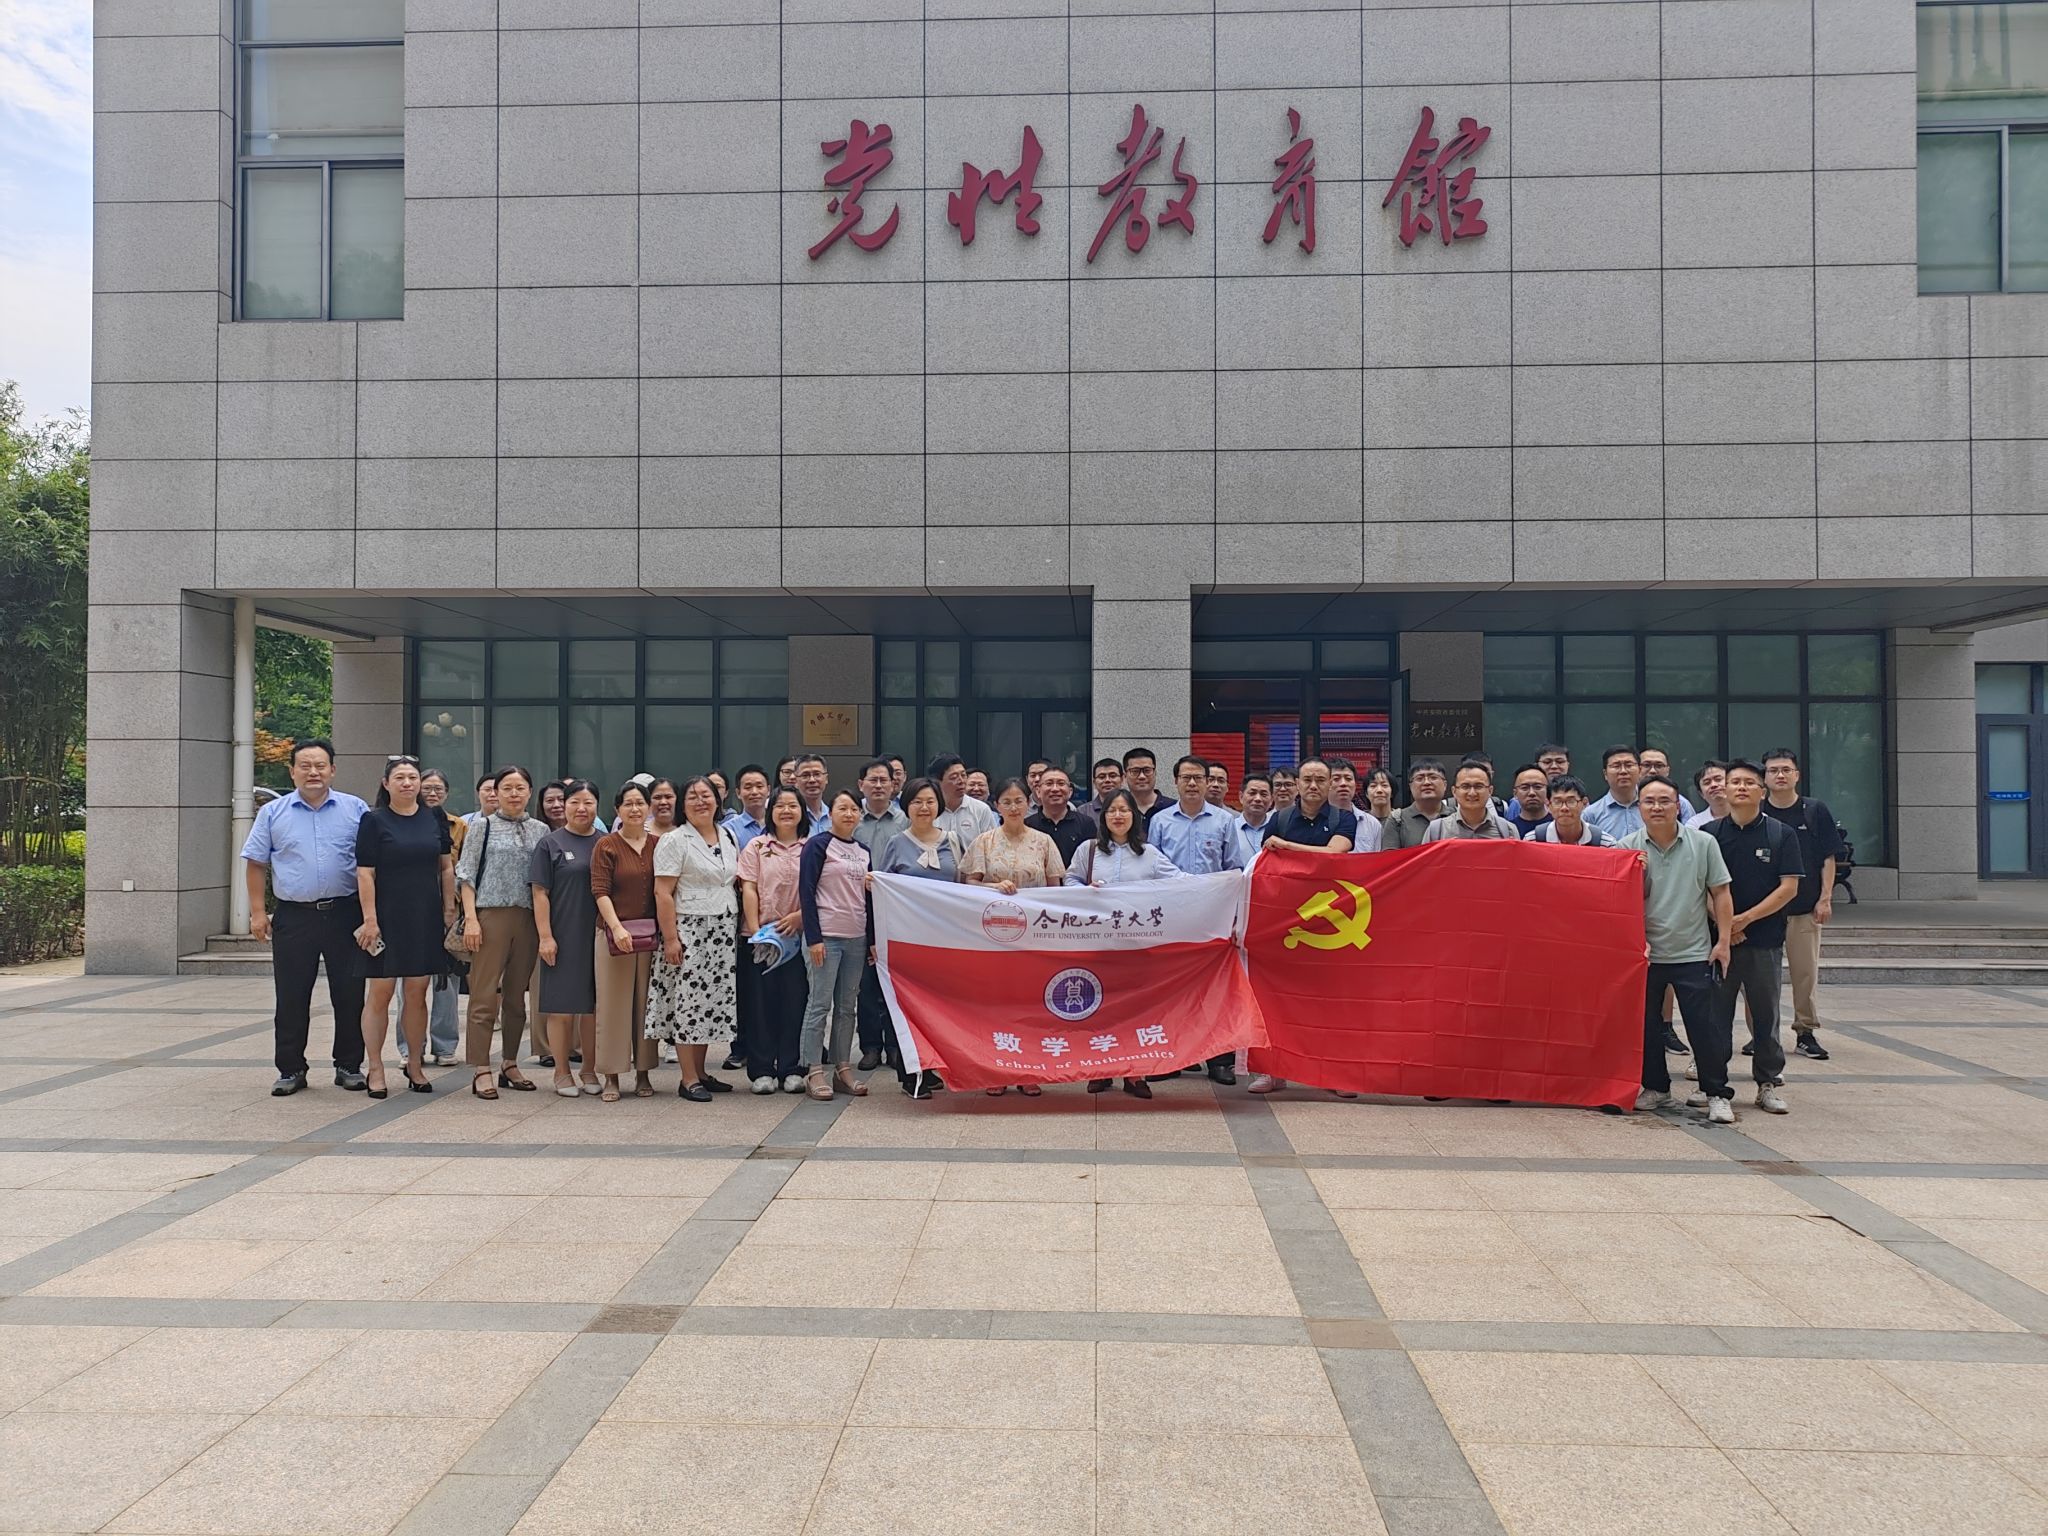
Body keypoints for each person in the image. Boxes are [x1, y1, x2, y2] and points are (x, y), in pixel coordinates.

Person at [243, 738, 369, 1096]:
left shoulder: (355, 809)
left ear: (333, 770)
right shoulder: (273, 812)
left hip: (346, 913)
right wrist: (257, 913)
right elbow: (256, 863)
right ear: (292, 771)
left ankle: (349, 1065)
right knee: (291, 994)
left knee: (349, 993)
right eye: (305, 766)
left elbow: (370, 865)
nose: (313, 772)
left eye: (320, 765)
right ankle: (291, 1069)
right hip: (294, 916)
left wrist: (371, 916)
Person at [1619, 776, 1732, 1119]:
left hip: (1694, 952)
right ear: (1639, 807)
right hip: (1645, 955)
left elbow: (1720, 893)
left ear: (1678, 805)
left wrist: (1723, 941)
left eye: (1664, 801)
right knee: (1647, 1027)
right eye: (1649, 801)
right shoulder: (1626, 847)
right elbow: (1619, 903)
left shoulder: (1704, 843)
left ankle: (1716, 1092)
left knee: (1705, 1028)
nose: (1656, 807)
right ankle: (1656, 1088)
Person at [1697, 760, 1802, 1119]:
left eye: (1749, 782)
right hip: (1718, 944)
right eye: (1734, 782)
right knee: (1715, 1018)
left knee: (1765, 1016)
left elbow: (1788, 888)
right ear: (1724, 789)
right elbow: (1701, 888)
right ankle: (1713, 1085)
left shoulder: (1781, 834)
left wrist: (1744, 919)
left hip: (1764, 941)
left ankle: (1767, 1083)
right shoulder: (1709, 834)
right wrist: (1726, 926)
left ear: (1762, 791)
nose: (1741, 787)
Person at [1249, 758, 1359, 1097]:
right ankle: (1273, 1071)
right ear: (1297, 784)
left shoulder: (1343, 818)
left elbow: (1333, 855)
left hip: (1331, 926)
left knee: (1331, 1003)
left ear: (1330, 784)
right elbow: (1267, 864)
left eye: (1320, 780)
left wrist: (1287, 847)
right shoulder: (1280, 819)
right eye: (1307, 779)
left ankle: (1335, 1074)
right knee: (1277, 999)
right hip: (1286, 924)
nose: (1313, 785)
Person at [1065, 789, 1182, 1098]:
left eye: (1124, 810)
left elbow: (1179, 882)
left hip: (1137, 946)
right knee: (1099, 1007)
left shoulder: (1149, 854)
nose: (1118, 815)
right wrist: (1086, 890)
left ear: (1134, 816)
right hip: (1098, 945)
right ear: (1103, 817)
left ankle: (1134, 1074)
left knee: (1136, 1010)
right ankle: (1101, 1071)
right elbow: (1070, 880)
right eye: (1112, 810)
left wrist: (1221, 884)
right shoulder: (1089, 850)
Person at [352, 754, 452, 1098]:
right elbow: (365, 873)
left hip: (424, 916)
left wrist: (449, 910)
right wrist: (370, 919)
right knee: (379, 993)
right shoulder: (373, 820)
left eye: (413, 777)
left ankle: (415, 1063)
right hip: (385, 917)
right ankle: (375, 1066)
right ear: (386, 784)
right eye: (400, 778)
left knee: (417, 993)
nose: (407, 783)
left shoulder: (434, 817)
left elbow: (445, 867)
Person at [965, 778, 1067, 1096]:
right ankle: (996, 1071)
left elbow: (1056, 889)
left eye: (1019, 801)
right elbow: (968, 884)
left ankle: (1028, 1070)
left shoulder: (1043, 842)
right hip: (993, 936)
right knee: (996, 1004)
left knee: (1031, 1003)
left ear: (1029, 803)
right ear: (997, 805)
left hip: (1035, 937)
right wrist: (992, 887)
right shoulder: (983, 842)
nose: (1013, 807)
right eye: (1006, 802)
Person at [646, 776, 740, 1101]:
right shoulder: (674, 840)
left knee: (710, 1004)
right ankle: (687, 1078)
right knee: (688, 1003)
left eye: (706, 795)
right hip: (690, 929)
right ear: (682, 805)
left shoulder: (727, 835)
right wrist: (671, 939)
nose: (701, 801)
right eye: (692, 797)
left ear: (718, 799)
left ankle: (701, 1071)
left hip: (723, 929)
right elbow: (662, 892)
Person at [455, 764, 546, 1099]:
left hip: (528, 918)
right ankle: (481, 1067)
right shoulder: (483, 827)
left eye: (520, 788)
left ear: (530, 792)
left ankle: (509, 1062)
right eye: (507, 788)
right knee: (483, 995)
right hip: (490, 915)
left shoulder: (540, 830)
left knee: (516, 997)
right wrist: (472, 919)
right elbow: (465, 874)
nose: (513, 794)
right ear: (496, 792)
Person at [875, 777, 962, 1098]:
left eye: (930, 801)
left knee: (940, 1006)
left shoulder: (953, 841)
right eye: (916, 802)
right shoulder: (896, 843)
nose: (924, 807)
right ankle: (911, 1073)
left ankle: (933, 1066)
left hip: (945, 939)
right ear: (906, 806)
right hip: (907, 940)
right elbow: (882, 890)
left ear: (939, 805)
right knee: (909, 1005)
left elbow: (965, 885)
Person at [1762, 747, 1841, 1062]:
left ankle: (1805, 1032)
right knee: (1760, 978)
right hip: (1763, 912)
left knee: (1805, 974)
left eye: (1785, 769)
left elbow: (1828, 858)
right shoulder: (1757, 811)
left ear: (1797, 775)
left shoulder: (1814, 810)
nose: (1779, 775)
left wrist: (1825, 898)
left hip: (1804, 908)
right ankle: (1761, 1035)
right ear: (1764, 777)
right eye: (1773, 770)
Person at [798, 788, 873, 1101]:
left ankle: (843, 1069)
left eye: (854, 809)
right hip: (826, 938)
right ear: (831, 813)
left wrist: (872, 940)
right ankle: (813, 1070)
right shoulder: (818, 845)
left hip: (856, 938)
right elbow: (806, 892)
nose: (849, 813)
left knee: (847, 1006)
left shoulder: (864, 850)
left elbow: (869, 899)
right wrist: (814, 938)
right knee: (819, 1004)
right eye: (842, 808)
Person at [737, 786, 811, 1094]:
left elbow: (821, 890)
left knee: (796, 1002)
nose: (786, 811)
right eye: (780, 805)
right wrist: (757, 932)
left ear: (802, 812)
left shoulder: (812, 846)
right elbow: (749, 888)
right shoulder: (756, 846)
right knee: (760, 1005)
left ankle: (792, 1067)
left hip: (799, 939)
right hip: (760, 939)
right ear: (771, 811)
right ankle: (762, 1070)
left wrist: (800, 917)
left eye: (793, 805)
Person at [532, 780, 603, 1098]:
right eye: (574, 802)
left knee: (592, 1008)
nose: (581, 808)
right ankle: (561, 1071)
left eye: (588, 802)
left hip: (598, 936)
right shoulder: (550, 844)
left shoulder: (606, 843)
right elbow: (540, 893)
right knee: (561, 1007)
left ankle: (589, 1069)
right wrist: (545, 936)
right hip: (562, 933)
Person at [591, 781, 659, 1101]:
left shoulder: (659, 844)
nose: (634, 809)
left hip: (651, 936)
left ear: (649, 808)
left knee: (646, 1006)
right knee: (612, 1007)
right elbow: (600, 891)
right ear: (617, 809)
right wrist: (617, 928)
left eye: (640, 803)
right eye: (628, 804)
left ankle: (644, 1072)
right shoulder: (606, 845)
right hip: (613, 936)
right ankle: (612, 1076)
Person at [850, 758, 908, 1072]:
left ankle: (896, 1046)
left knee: (895, 981)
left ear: (893, 784)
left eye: (884, 780)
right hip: (858, 906)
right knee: (866, 983)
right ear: (861, 785)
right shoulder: (851, 818)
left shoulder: (904, 820)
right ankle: (870, 1046)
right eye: (872, 780)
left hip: (895, 907)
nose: (878, 785)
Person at [411, 769, 465, 1067]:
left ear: (446, 793)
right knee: (410, 983)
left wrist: (454, 910)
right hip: (412, 909)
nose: (432, 794)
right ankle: (410, 1048)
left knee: (447, 984)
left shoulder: (459, 826)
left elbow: (462, 869)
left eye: (438, 789)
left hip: (449, 910)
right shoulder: (405, 820)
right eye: (427, 788)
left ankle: (444, 1047)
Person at [1422, 763, 1517, 840]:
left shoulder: (1508, 830)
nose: (1472, 793)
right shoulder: (1437, 830)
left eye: (1478, 786)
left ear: (1490, 791)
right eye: (1465, 786)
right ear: (1454, 792)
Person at [1027, 765, 1097, 865]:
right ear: (1038, 791)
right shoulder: (1028, 825)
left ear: (1070, 791)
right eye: (1049, 783)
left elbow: (1092, 861)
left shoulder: (1086, 823)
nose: (1055, 789)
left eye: (1061, 783)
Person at [1525, 776, 1613, 845]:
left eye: (1571, 801)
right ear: (1548, 805)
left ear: (1584, 803)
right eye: (1557, 802)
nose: (1564, 808)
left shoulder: (1605, 843)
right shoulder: (1532, 841)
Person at [930, 754, 998, 843]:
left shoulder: (981, 809)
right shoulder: (929, 809)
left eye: (963, 775)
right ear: (938, 781)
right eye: (954, 777)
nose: (961, 781)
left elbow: (992, 845)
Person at [1584, 745, 1645, 841]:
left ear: (1640, 770)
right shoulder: (1591, 814)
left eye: (1629, 765)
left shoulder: (1653, 808)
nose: (1623, 771)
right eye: (1616, 766)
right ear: (1605, 774)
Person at [1383, 759, 1448, 849]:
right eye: (1419, 778)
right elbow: (1390, 856)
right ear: (1410, 786)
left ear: (1445, 785)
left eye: (1433, 777)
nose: (1426, 782)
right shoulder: (1397, 820)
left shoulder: (1457, 817)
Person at [722, 764, 772, 850]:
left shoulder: (779, 824)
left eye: (759, 786)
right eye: (748, 787)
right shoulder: (729, 829)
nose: (754, 792)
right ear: (738, 793)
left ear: (768, 790)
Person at [1638, 749, 1696, 818]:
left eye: (1659, 766)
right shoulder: (1626, 799)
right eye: (1646, 765)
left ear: (1667, 770)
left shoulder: (1682, 804)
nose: (1652, 771)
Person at [1235, 771, 1276, 863]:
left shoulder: (1278, 828)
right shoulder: (1230, 828)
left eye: (1263, 794)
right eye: (1252, 793)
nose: (1258, 799)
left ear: (1271, 800)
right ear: (1241, 797)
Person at [1122, 747, 1169, 822]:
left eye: (1147, 770)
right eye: (1135, 771)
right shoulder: (1118, 810)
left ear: (1155, 773)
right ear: (1125, 776)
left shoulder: (1173, 808)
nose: (1142, 776)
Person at [1505, 763, 1552, 837]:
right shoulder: (1507, 830)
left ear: (1547, 791)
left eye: (1538, 787)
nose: (1531, 793)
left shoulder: (1559, 826)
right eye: (1524, 788)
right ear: (1515, 793)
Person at [792, 754, 831, 834]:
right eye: (805, 775)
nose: (812, 780)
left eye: (817, 774)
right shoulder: (790, 816)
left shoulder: (834, 817)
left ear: (826, 779)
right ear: (796, 781)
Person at [1686, 761, 1731, 829]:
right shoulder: (1695, 824)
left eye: (1718, 779)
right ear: (1701, 794)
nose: (1713, 785)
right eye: (1707, 783)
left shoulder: (1747, 815)